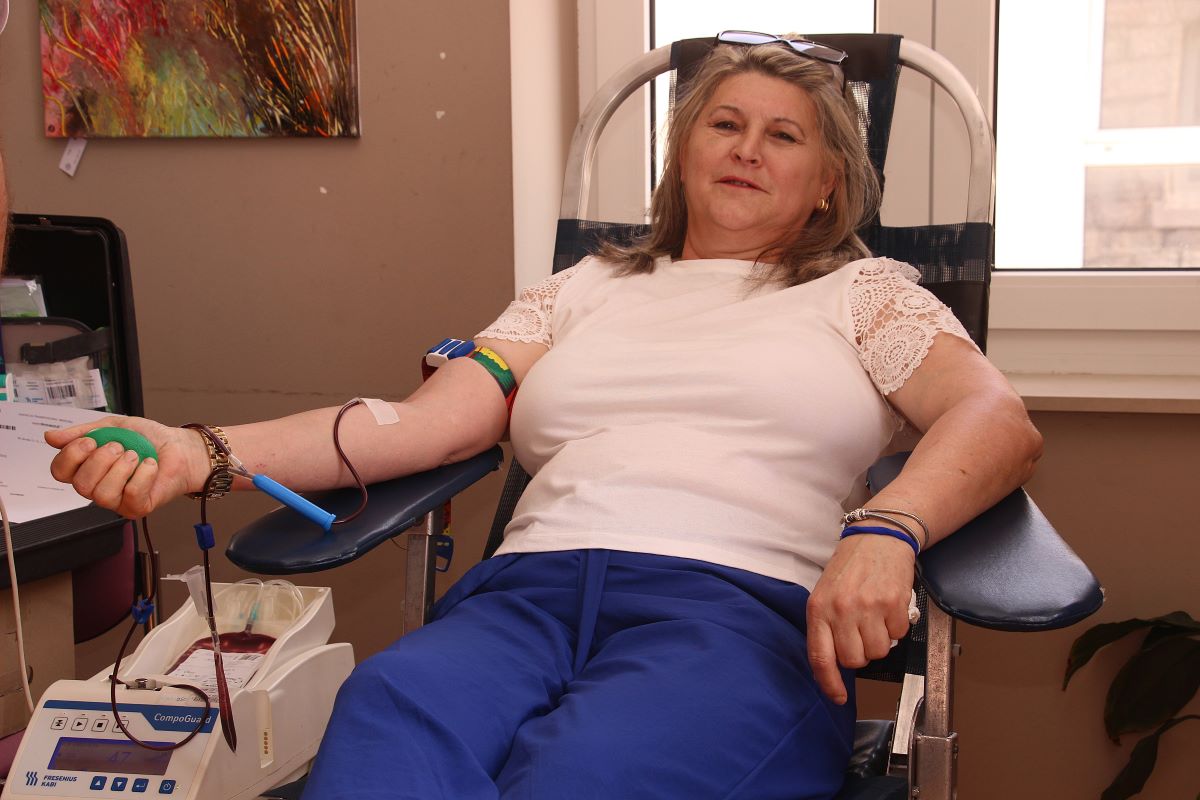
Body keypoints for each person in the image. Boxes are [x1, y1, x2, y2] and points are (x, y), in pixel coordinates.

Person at [48, 33, 1041, 799]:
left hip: (735, 618)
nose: (746, 149)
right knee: (386, 720)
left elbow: (995, 417)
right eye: (724, 123)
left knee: (584, 773)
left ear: (827, 182)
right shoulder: (583, 288)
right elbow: (420, 425)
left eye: (784, 136)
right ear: (683, 151)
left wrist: (887, 528)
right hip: (521, 601)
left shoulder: (864, 295)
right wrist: (202, 450)